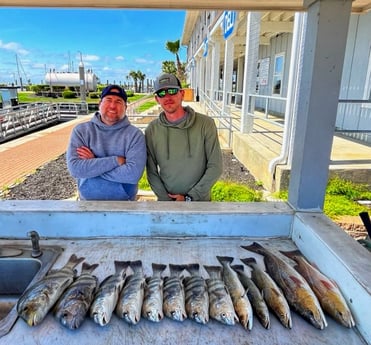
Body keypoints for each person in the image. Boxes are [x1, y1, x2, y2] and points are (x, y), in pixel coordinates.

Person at [145, 73, 223, 201]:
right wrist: (167, 200)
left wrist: (189, 198)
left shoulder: (206, 124)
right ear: (156, 99)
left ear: (182, 94)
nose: (168, 97)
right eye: (162, 93)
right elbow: (151, 171)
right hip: (167, 204)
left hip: (200, 203)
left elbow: (216, 166)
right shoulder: (151, 130)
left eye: (172, 91)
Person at [66, 84, 146, 200]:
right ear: (100, 104)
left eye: (118, 101)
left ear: (125, 107)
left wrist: (93, 165)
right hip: (87, 204)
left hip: (125, 205)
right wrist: (116, 161)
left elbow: (133, 175)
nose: (113, 106)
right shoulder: (81, 131)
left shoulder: (135, 135)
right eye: (108, 100)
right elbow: (76, 169)